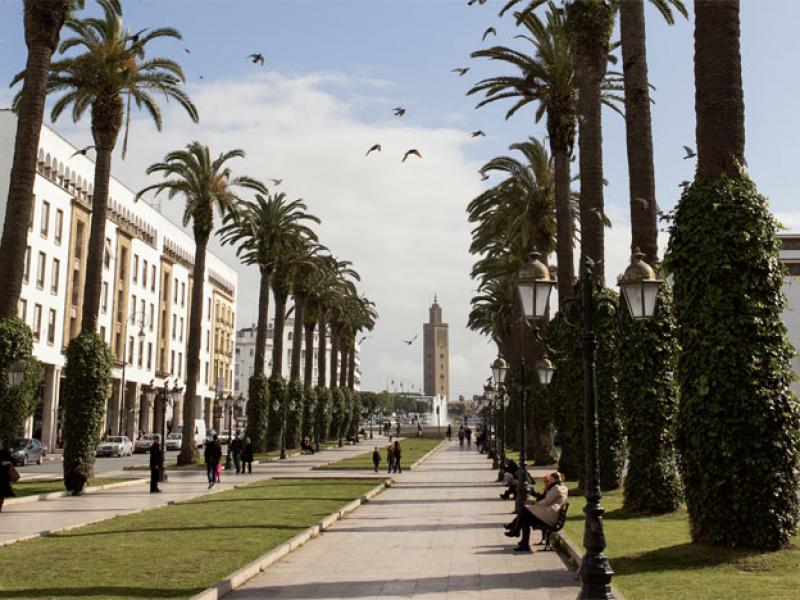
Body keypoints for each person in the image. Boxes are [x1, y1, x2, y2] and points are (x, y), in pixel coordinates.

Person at [507, 472, 568, 552]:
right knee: (525, 517)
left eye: (550, 479)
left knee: (525, 511)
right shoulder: (562, 487)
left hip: (550, 516)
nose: (549, 481)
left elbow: (546, 501)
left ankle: (516, 531)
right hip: (551, 514)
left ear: (553, 479)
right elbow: (547, 500)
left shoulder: (556, 488)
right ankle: (520, 538)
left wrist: (534, 503)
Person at [0, 444, 15, 512]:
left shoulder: (5, 452)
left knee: (2, 493)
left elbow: (12, 461)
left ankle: (0, 507)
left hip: (4, 476)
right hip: (4, 476)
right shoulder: (6, 452)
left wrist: (6, 462)